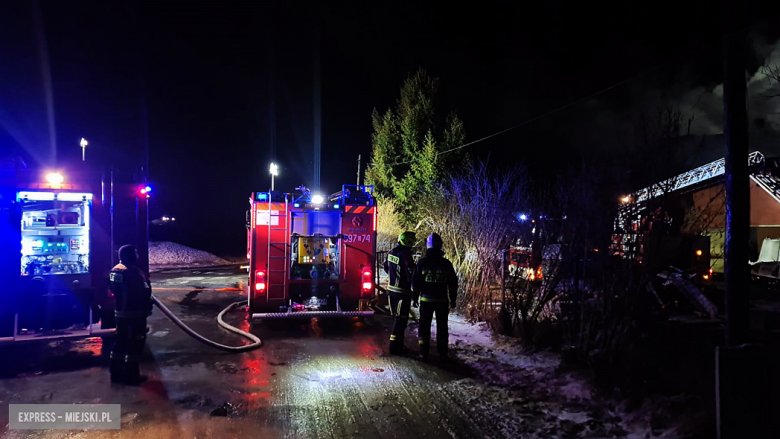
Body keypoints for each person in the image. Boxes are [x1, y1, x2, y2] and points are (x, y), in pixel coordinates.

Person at [109, 245, 153, 385]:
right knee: (135, 344)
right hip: (135, 314)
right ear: (130, 255)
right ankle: (132, 376)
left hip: (121, 313)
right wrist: (148, 302)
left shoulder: (116, 269)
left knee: (120, 343)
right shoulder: (132, 271)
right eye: (136, 252)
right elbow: (142, 291)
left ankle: (115, 373)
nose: (138, 255)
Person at [412, 233, 458, 362]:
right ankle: (443, 354)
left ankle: (423, 353)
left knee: (424, 326)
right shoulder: (446, 263)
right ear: (440, 246)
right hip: (442, 301)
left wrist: (414, 298)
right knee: (442, 327)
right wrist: (453, 299)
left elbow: (415, 282)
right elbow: (453, 283)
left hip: (426, 301)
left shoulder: (422, 263)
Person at [383, 231, 416, 355]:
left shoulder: (391, 252)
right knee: (400, 320)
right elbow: (411, 275)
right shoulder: (406, 255)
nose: (412, 243)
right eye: (410, 241)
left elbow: (386, 267)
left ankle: (398, 345)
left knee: (396, 319)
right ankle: (395, 347)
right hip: (403, 293)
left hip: (391, 292)